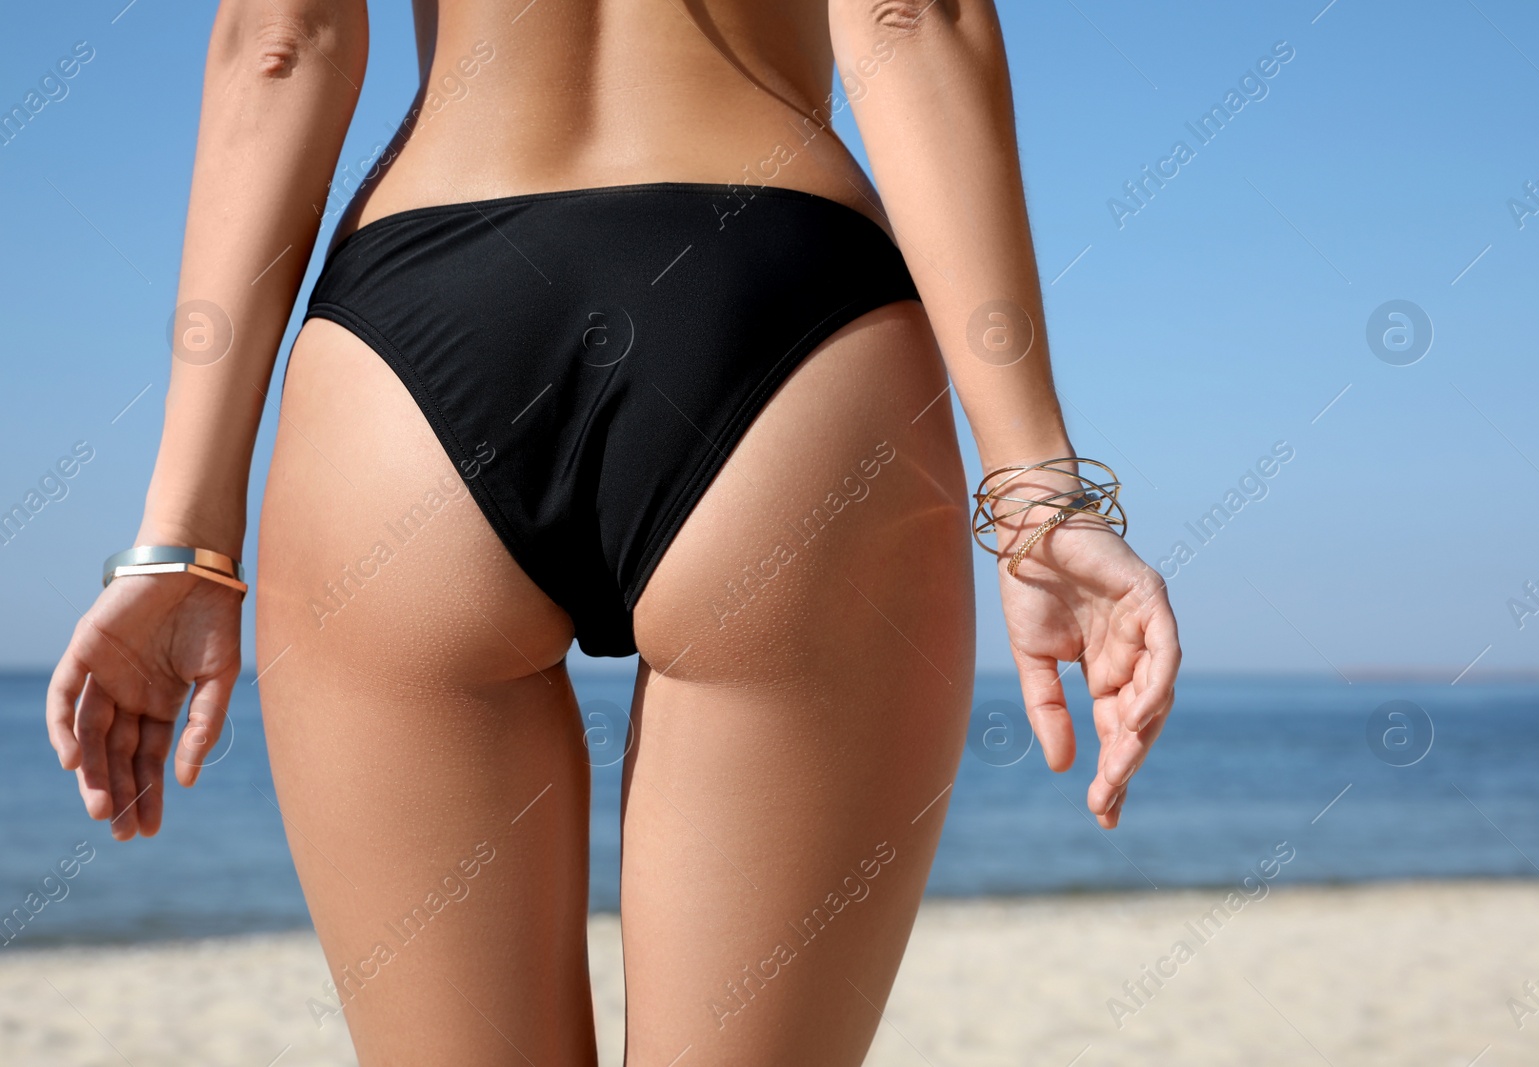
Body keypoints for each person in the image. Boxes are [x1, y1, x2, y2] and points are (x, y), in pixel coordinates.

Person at [45, 1, 1180, 1063]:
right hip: (779, 302)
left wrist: (182, 539)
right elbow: (907, 18)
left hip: (418, 330)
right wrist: (1038, 493)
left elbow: (283, 42)